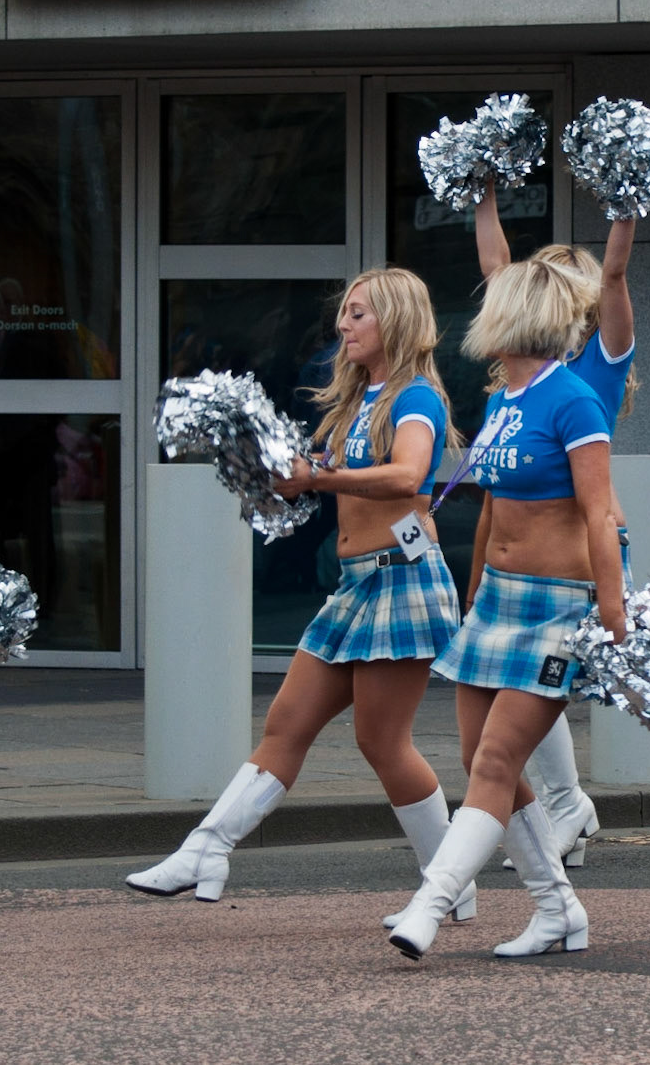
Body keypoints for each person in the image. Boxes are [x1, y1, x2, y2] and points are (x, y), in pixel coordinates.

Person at [126, 268, 469, 914]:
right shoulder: (358, 399)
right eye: (344, 314)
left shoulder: (413, 397)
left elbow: (410, 476)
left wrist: (318, 480)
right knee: (286, 723)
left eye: (359, 314)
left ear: (394, 320)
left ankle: (450, 884)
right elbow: (306, 470)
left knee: (382, 741)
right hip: (358, 584)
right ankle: (205, 850)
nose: (344, 325)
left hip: (403, 580)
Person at [386, 259, 626, 960]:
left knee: (494, 758)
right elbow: (494, 503)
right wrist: (474, 582)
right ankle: (558, 911)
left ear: (516, 319)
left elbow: (599, 515)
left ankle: (429, 905)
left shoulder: (573, 400)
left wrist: (613, 617)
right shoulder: (502, 402)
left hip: (555, 607)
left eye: (494, 306)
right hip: (496, 598)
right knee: (478, 756)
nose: (480, 318)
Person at [473, 192, 637, 866]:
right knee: (524, 686)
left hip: (581, 543)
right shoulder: (523, 373)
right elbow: (495, 269)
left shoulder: (599, 359)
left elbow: (619, 275)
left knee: (534, 684)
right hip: (521, 553)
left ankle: (567, 804)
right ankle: (566, 803)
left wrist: (628, 200)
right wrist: (481, 193)